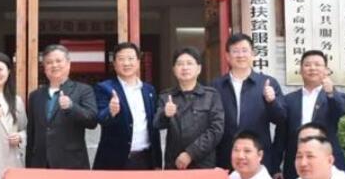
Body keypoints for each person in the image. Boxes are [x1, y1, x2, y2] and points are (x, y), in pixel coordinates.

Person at [274, 50, 345, 179]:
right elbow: (281, 136)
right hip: (296, 163)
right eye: (307, 65)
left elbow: (340, 111)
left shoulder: (335, 96)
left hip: (325, 162)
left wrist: (330, 93)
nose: (312, 68)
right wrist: (275, 166)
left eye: (317, 65)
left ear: (326, 70)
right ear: (301, 70)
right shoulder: (289, 100)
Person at [211, 34, 286, 174]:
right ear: (227, 56)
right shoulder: (216, 86)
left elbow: (281, 119)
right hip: (225, 158)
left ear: (253, 54)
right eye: (235, 51)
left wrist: (272, 101)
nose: (240, 55)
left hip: (257, 158)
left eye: (245, 50)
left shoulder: (267, 83)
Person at [26, 44, 97, 169]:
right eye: (49, 62)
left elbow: (92, 121)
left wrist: (71, 107)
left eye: (58, 61)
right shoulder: (35, 96)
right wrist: (29, 165)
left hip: (71, 163)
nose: (54, 65)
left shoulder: (83, 90)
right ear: (44, 67)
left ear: (68, 63)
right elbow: (31, 133)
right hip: (40, 164)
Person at [93, 42, 161, 170]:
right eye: (121, 59)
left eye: (130, 58)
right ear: (114, 64)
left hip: (145, 160)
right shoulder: (104, 88)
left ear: (138, 62)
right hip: (114, 161)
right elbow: (100, 118)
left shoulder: (149, 90)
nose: (126, 63)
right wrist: (111, 111)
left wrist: (157, 163)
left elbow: (154, 129)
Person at [154, 46, 224, 169]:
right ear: (174, 70)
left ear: (199, 69)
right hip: (174, 163)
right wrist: (165, 114)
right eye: (180, 64)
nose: (185, 67)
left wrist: (191, 153)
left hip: (203, 163)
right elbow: (157, 124)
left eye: (189, 63)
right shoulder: (166, 96)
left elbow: (216, 129)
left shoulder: (211, 95)